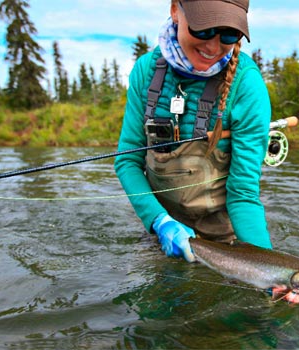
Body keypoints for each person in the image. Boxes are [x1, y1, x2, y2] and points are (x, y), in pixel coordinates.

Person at [114, 0, 272, 263]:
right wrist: (159, 221)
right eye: (203, 29)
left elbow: (243, 194)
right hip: (161, 234)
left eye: (229, 34)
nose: (212, 46)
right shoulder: (145, 71)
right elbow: (128, 161)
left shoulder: (247, 85)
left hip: (226, 243)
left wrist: (269, 270)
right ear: (175, 10)